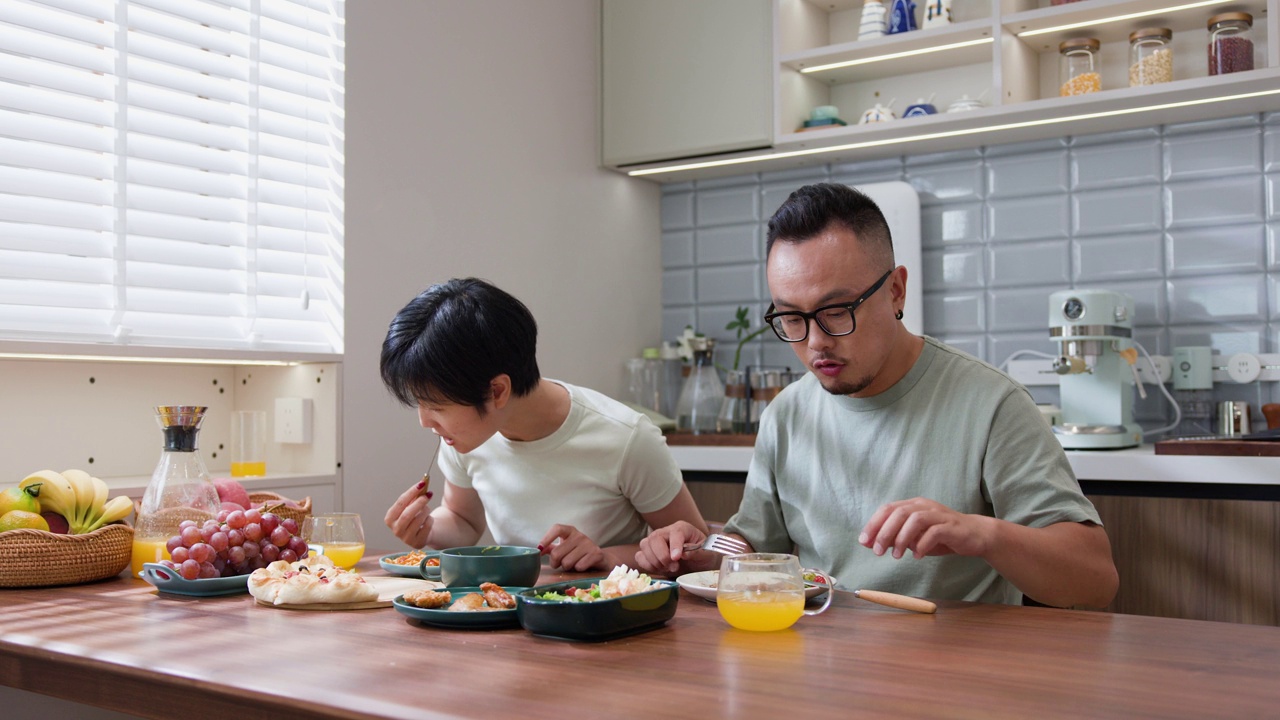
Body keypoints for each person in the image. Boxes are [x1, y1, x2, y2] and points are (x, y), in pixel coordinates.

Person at [635, 183, 1119, 608]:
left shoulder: (991, 404)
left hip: (954, 670)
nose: (815, 341)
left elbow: (1096, 582)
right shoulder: (788, 412)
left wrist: (985, 535)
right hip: (822, 661)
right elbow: (751, 547)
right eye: (791, 318)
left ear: (896, 291)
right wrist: (700, 550)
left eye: (837, 310)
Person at [380, 277, 708, 572]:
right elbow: (462, 519)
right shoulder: (466, 436)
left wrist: (605, 556)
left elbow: (695, 547)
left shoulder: (626, 438)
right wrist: (428, 528)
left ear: (497, 391)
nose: (424, 421)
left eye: (436, 406)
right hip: (511, 615)